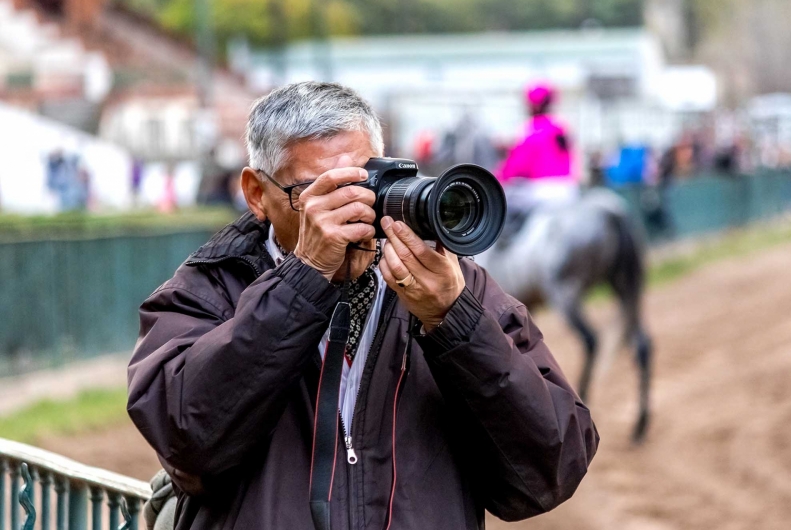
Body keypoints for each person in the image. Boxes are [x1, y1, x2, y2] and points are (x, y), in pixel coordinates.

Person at [127, 81, 598, 530]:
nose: (354, 210)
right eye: (319, 194)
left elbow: (550, 471)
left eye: (365, 183)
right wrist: (303, 279)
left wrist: (454, 321)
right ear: (256, 194)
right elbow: (188, 443)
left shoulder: (455, 284)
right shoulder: (206, 290)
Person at [496, 83, 579, 213]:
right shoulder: (562, 125)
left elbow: (518, 166)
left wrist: (498, 177)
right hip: (569, 190)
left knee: (498, 202)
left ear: (533, 105)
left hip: (541, 192)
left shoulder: (530, 128)